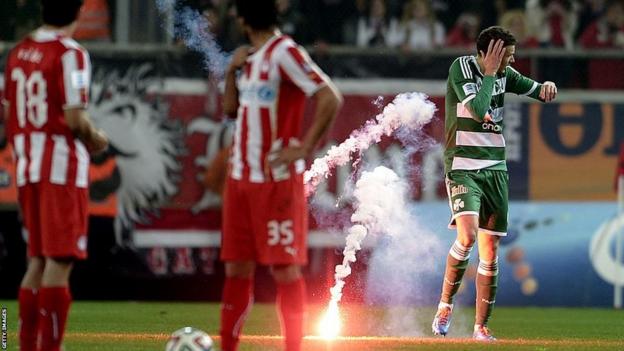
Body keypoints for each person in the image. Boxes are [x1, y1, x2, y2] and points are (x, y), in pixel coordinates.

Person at [218, 1, 342, 350]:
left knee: (284, 270)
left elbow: (330, 96)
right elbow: (231, 110)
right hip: (240, 178)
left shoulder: (285, 52)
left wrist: (304, 148)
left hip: (275, 181)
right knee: (236, 269)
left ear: (242, 19)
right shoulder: (251, 58)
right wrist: (231, 72)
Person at [432, 26, 557, 341]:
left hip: (495, 168)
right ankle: (445, 306)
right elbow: (476, 110)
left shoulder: (506, 75)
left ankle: (480, 327)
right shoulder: (462, 68)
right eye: (508, 56)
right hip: (463, 166)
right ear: (492, 54)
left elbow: (537, 90)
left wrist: (548, 87)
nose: (512, 62)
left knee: (490, 248)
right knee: (468, 235)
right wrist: (489, 74)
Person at [1, 0, 109, 350]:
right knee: (59, 262)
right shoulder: (71, 54)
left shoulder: (19, 52)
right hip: (61, 170)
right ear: (78, 12)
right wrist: (97, 140)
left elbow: (7, 111)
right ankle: (51, 347)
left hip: (28, 168)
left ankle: (25, 345)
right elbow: (76, 119)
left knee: (37, 260)